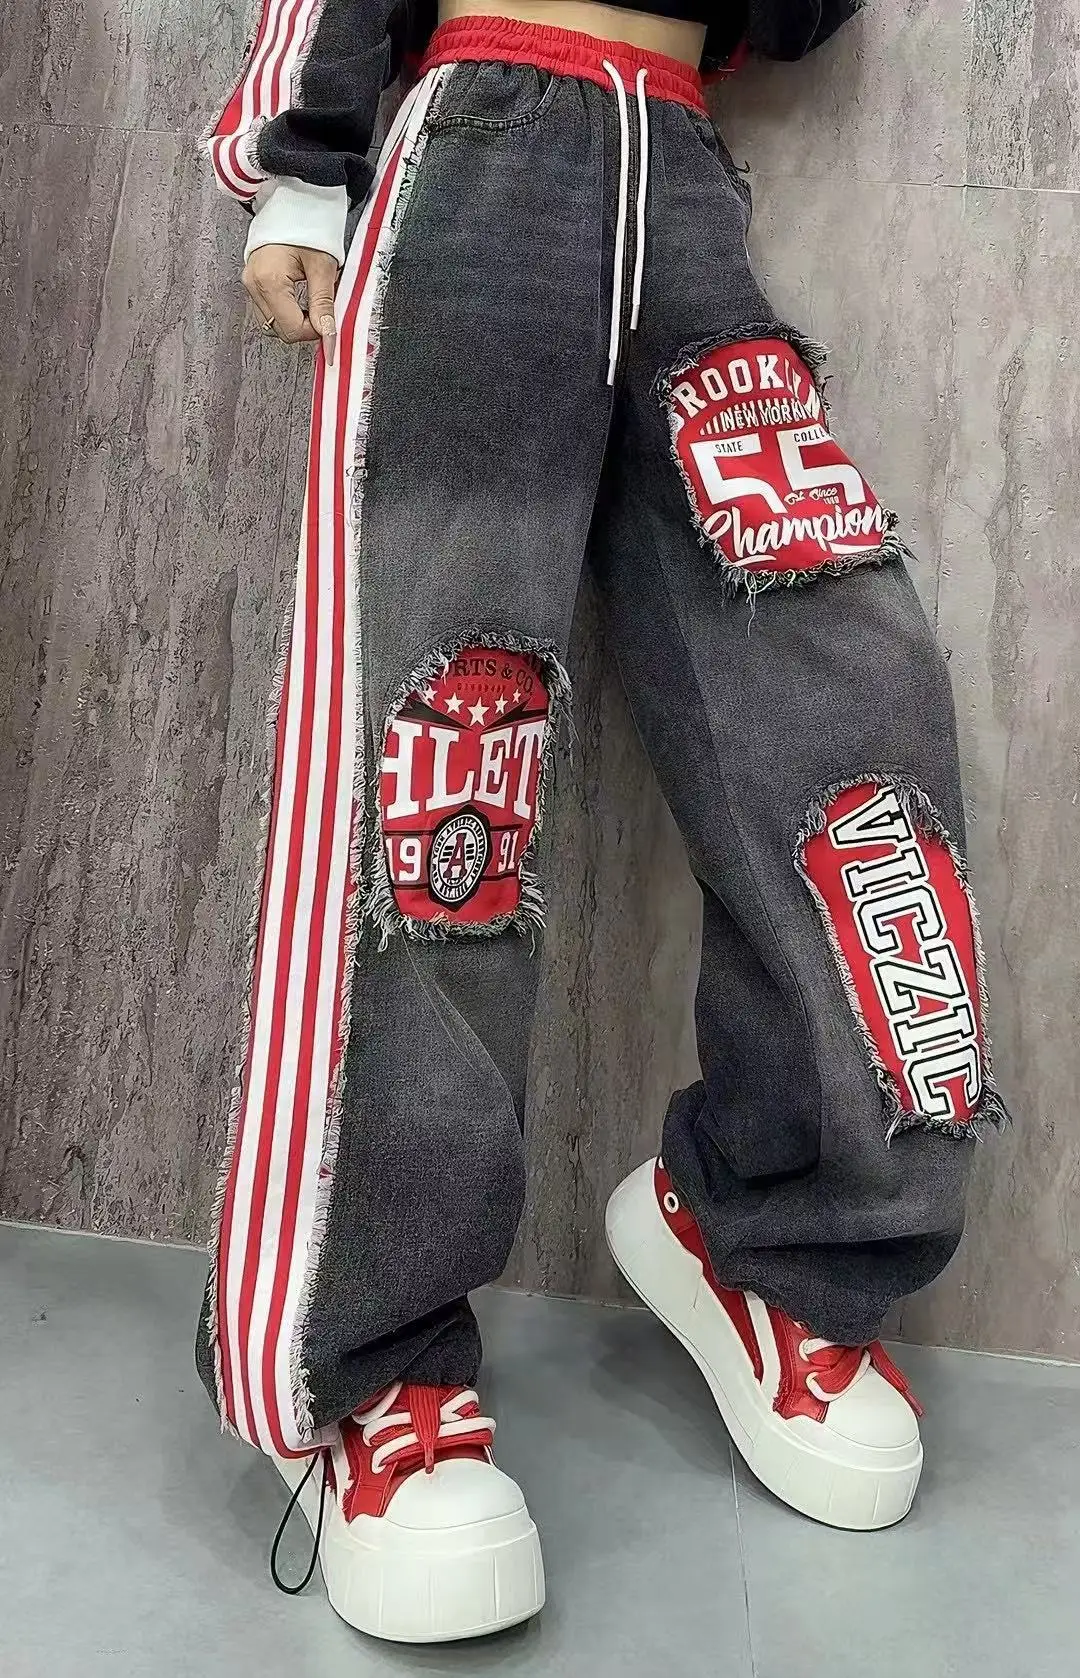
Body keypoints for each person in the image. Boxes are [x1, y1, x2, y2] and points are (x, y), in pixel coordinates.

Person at [198, 0, 1009, 1644]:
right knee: (443, 742)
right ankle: (373, 1370)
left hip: (682, 182)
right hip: (483, 156)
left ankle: (766, 1231)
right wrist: (302, 153)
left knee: (851, 713)